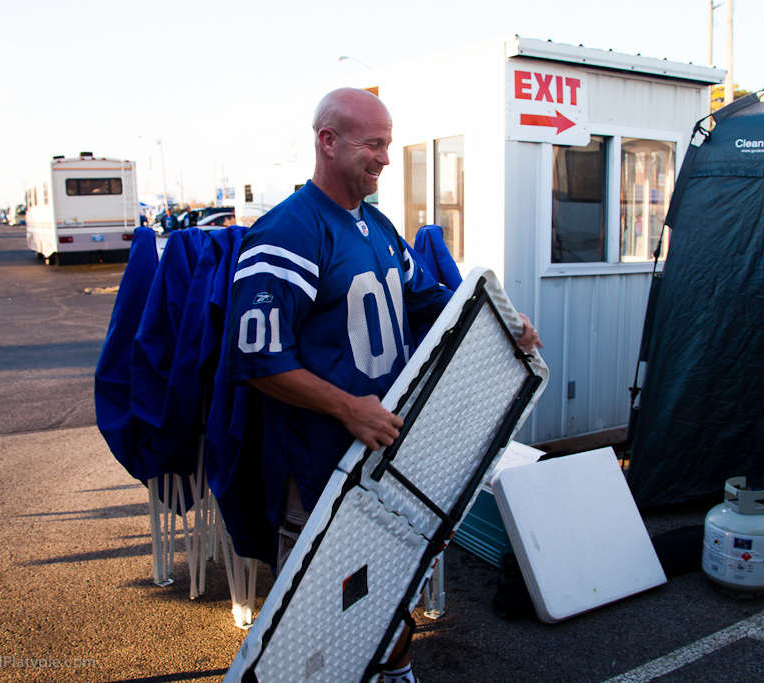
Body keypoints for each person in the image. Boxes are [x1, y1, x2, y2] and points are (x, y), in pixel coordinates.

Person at [227, 87, 541, 683]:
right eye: (373, 145)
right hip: (319, 463)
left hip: (382, 452)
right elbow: (258, 361)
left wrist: (506, 322)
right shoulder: (286, 233)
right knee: (317, 614)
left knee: (385, 585)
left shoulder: (376, 226)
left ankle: (394, 671)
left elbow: (429, 301)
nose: (385, 159)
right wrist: (348, 409)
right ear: (328, 141)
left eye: (387, 145)